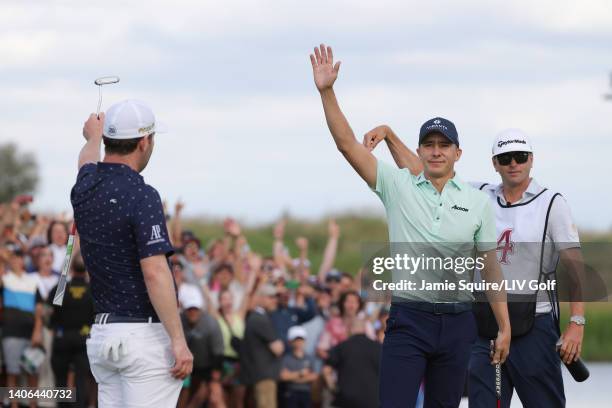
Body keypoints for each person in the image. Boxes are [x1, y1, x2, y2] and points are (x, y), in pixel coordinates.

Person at [309, 43, 511, 407]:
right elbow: (346, 145)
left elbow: (491, 271)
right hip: (409, 321)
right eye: (429, 145)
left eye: (444, 145)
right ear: (419, 151)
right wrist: (327, 92)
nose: (436, 151)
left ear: (457, 153)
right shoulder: (398, 186)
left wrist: (505, 326)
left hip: (458, 322)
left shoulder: (477, 201)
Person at [371, 127, 585, 407]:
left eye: (520, 157)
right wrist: (389, 136)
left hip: (535, 323)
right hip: (485, 324)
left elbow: (574, 266)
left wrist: (577, 322)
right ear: (494, 163)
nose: (513, 164)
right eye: (505, 158)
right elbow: (421, 170)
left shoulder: (552, 203)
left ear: (531, 159)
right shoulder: (478, 195)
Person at [71, 100, 193, 406]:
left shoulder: (85, 186)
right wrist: (178, 341)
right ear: (144, 141)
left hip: (103, 337)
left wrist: (92, 139)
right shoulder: (143, 195)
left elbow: (86, 162)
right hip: (142, 339)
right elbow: (154, 271)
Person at [47, 253, 95, 408]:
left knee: (61, 381)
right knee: (81, 380)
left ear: (72, 269)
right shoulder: (92, 289)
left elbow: (48, 313)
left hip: (62, 338)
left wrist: (52, 326)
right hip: (84, 339)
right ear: (87, 269)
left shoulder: (61, 287)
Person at [1, 245, 44, 408]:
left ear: (23, 261)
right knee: (13, 371)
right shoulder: (5, 279)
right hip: (10, 331)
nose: (16, 261)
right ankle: (14, 405)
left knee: (33, 371)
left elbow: (39, 309)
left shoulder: (33, 280)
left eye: (19, 258)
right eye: (13, 258)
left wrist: (38, 331)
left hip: (30, 332)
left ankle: (33, 405)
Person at [178, 285, 225, 408]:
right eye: (189, 309)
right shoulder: (179, 321)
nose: (192, 312)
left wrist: (215, 377)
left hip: (207, 368)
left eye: (195, 309)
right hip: (185, 367)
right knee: (184, 395)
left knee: (214, 396)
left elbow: (218, 351)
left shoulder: (211, 323)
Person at [240, 284, 284, 408]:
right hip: (264, 377)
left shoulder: (257, 317)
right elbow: (278, 349)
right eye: (271, 297)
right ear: (262, 298)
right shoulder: (260, 319)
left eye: (275, 297)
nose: (274, 300)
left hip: (260, 375)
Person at [322, 319, 381, 408]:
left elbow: (326, 371)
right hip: (373, 400)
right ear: (365, 329)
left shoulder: (341, 347)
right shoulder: (379, 348)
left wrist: (333, 389)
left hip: (346, 401)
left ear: (350, 329)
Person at [280, 325, 318, 408]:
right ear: (290, 342)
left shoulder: (309, 358)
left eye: (301, 340)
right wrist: (301, 373)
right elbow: (283, 376)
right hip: (290, 393)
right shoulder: (286, 359)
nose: (299, 343)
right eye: (296, 340)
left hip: (306, 393)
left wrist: (293, 378)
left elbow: (313, 376)